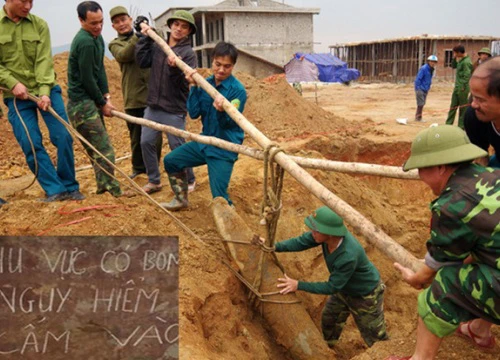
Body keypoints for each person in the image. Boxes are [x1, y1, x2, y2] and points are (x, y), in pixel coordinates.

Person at [387, 125, 499, 360]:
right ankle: (479, 331)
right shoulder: (492, 176)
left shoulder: (451, 205)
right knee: (482, 259)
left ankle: (420, 358)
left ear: (440, 167)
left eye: (421, 169)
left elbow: (436, 266)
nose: (419, 176)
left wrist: (416, 278)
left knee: (445, 283)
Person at [0, 0, 83, 202]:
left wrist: (45, 91)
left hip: (46, 91)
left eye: (31, 1)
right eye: (23, 1)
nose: (28, 6)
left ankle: (70, 186)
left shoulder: (39, 24)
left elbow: (44, 60)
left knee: (63, 137)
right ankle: (55, 189)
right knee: (30, 142)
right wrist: (12, 83)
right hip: (17, 98)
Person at [272, 206, 388, 348]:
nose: (312, 232)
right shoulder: (322, 238)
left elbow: (332, 286)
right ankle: (329, 348)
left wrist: (298, 285)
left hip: (365, 295)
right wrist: (274, 246)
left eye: (316, 230)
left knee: (374, 335)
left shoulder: (348, 255)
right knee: (330, 319)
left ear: (330, 233)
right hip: (344, 288)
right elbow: (301, 242)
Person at [162, 41, 247, 210]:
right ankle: (181, 199)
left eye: (227, 66)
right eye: (218, 64)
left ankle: (233, 224)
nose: (221, 70)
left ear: (233, 66)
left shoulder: (238, 91)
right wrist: (193, 86)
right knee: (171, 161)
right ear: (212, 61)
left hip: (224, 148)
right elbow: (193, 113)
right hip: (205, 142)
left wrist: (222, 111)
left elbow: (228, 124)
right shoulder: (205, 83)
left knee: (219, 198)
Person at [135, 10, 197, 195]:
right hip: (153, 105)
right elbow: (142, 61)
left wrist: (175, 69)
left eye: (184, 26)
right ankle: (154, 180)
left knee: (177, 146)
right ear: (170, 25)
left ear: (189, 31)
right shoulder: (159, 46)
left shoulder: (188, 54)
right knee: (146, 142)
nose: (179, 29)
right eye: (176, 24)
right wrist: (145, 38)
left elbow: (184, 84)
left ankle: (190, 179)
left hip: (174, 108)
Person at [67, 1, 121, 197]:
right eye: (93, 23)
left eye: (101, 22)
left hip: (92, 99)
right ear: (81, 21)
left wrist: (106, 95)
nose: (98, 27)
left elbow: (100, 71)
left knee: (100, 150)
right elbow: (87, 79)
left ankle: (105, 189)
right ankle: (110, 191)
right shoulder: (86, 42)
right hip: (81, 104)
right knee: (104, 151)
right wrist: (101, 103)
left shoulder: (97, 39)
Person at [108, 6, 162, 179]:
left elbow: (160, 42)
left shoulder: (144, 35)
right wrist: (139, 36)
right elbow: (125, 55)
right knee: (137, 137)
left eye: (124, 20)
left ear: (130, 20)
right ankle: (139, 170)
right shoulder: (115, 44)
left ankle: (154, 168)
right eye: (117, 22)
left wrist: (148, 29)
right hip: (133, 97)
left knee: (155, 136)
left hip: (152, 95)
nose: (121, 24)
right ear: (113, 26)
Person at [464, 57, 500, 168]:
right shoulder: (475, 117)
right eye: (473, 97)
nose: (474, 104)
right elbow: (481, 157)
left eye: (481, 99)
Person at [445, 45, 473, 129]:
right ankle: (448, 124)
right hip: (457, 87)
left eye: (455, 53)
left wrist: (463, 86)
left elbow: (467, 76)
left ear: (460, 53)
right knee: (453, 106)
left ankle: (461, 126)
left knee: (462, 108)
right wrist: (454, 58)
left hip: (463, 88)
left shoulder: (466, 62)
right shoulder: (461, 60)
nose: (454, 54)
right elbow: (453, 66)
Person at [414, 55, 438, 122]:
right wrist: (418, 88)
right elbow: (418, 79)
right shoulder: (424, 69)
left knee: (422, 103)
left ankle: (418, 116)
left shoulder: (431, 70)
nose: (433, 63)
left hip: (425, 88)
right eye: (431, 61)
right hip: (420, 88)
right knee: (420, 103)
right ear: (428, 61)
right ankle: (418, 117)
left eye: (434, 62)